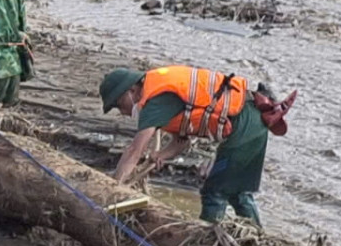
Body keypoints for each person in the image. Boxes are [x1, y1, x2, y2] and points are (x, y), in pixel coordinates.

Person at [99, 66, 295, 226]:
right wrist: (162, 154)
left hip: (244, 124)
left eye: (119, 104)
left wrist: (114, 189)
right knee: (237, 192)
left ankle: (204, 242)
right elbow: (182, 141)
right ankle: (257, 238)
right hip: (253, 121)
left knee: (215, 192)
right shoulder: (160, 96)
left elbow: (134, 151)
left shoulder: (156, 101)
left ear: (131, 91)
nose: (122, 112)